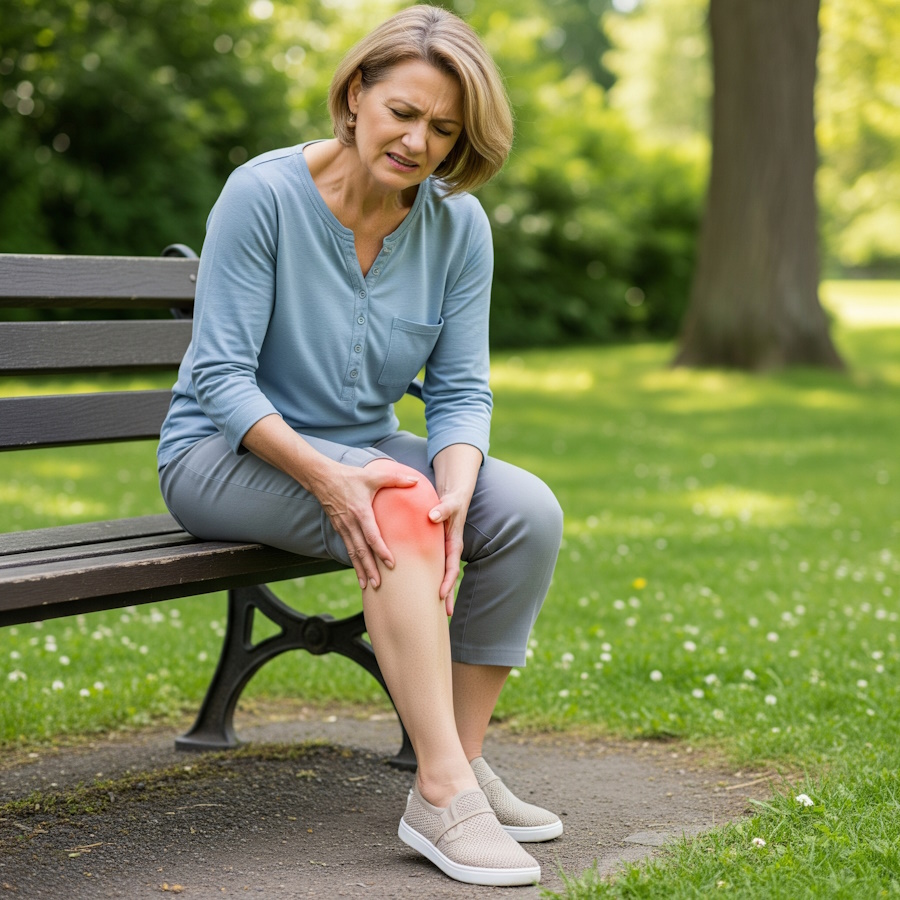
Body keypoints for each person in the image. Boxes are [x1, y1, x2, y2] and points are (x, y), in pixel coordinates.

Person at [157, 4, 563, 887]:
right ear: (354, 97)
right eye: (404, 113)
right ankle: (446, 792)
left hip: (371, 447)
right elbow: (222, 379)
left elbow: (459, 390)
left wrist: (457, 488)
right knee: (395, 505)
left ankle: (456, 761)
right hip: (226, 455)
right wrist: (335, 477)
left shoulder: (458, 228)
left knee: (523, 509)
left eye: (445, 130)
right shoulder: (262, 195)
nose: (420, 142)